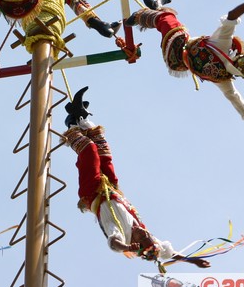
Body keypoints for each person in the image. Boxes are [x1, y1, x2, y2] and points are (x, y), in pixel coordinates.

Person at [60, 86, 211, 269]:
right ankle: (81, 118)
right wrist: (191, 260)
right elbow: (169, 253)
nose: (144, 232)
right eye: (147, 235)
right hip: (112, 189)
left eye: (142, 237)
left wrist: (126, 246)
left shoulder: (121, 234)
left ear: (138, 244)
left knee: (89, 151)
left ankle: (71, 124)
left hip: (93, 193)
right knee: (104, 153)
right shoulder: (149, 239)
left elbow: (113, 243)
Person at [125, 0, 244, 134]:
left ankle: (143, 14)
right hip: (183, 47)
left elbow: (243, 109)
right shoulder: (224, 49)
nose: (235, 54)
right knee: (168, 21)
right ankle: (156, 6)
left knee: (167, 21)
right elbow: (232, 17)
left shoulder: (224, 75)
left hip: (179, 59)